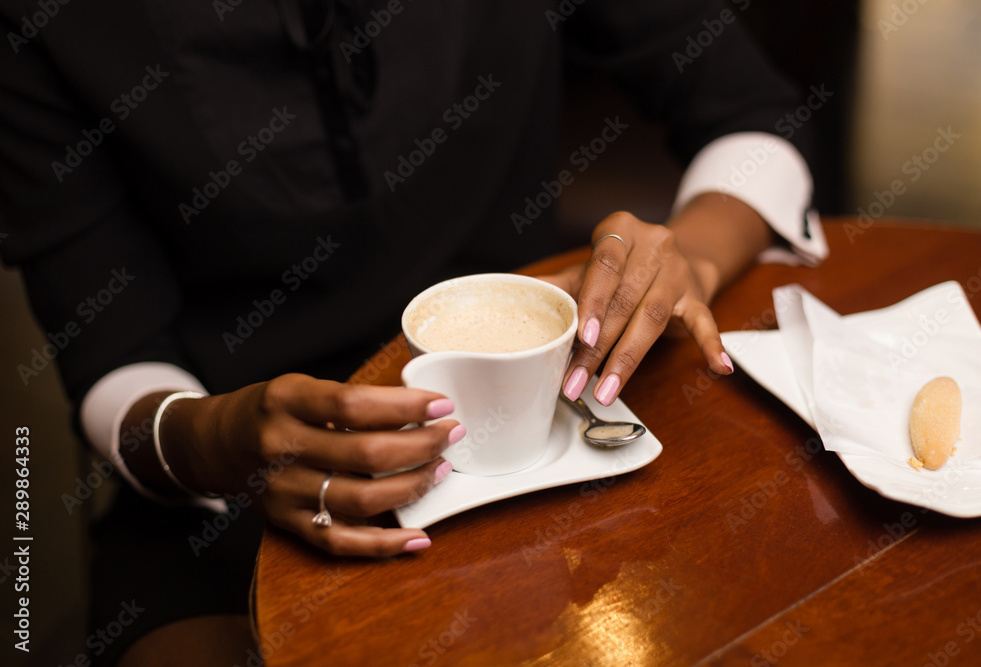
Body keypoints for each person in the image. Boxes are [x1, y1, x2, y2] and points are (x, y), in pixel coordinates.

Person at [0, 0, 827, 663]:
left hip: (542, 405)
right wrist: (219, 436)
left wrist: (688, 260)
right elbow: (114, 360)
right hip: (231, 484)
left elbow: (754, 117)